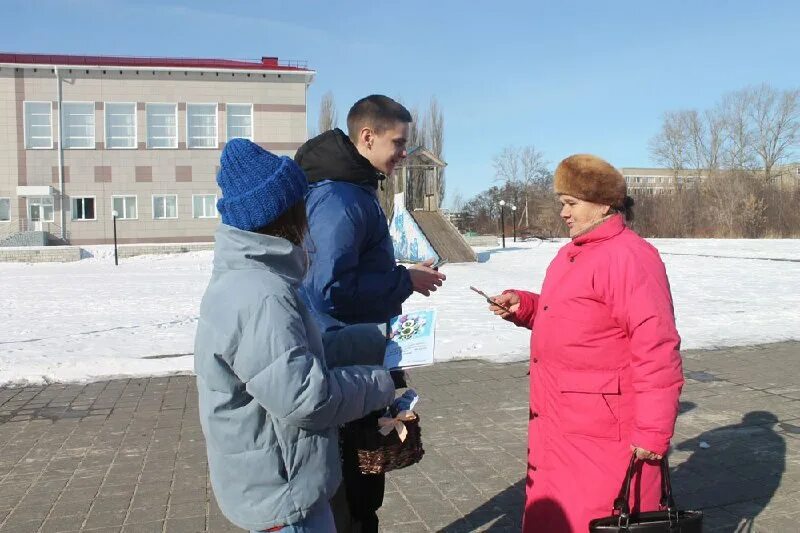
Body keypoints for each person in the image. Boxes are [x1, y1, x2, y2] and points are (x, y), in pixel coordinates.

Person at [194, 139, 396, 533]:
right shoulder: (261, 295)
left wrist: (376, 340)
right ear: (284, 214)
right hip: (284, 497)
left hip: (276, 482)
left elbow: (295, 355)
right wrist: (379, 384)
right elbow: (306, 398)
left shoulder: (254, 279)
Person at [488, 154, 684, 532]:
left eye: (572, 203)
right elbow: (576, 317)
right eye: (562, 202)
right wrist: (524, 306)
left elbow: (657, 347)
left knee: (595, 515)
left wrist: (653, 431)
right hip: (558, 421)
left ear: (604, 203)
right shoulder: (572, 254)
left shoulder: (631, 257)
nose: (563, 212)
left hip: (604, 431)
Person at [294, 95, 446, 532]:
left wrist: (401, 273)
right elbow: (327, 289)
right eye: (397, 143)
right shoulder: (340, 199)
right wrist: (402, 282)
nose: (403, 153)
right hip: (341, 358)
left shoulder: (352, 190)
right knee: (352, 491)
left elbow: (347, 271)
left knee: (361, 489)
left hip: (351, 353)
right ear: (366, 136)